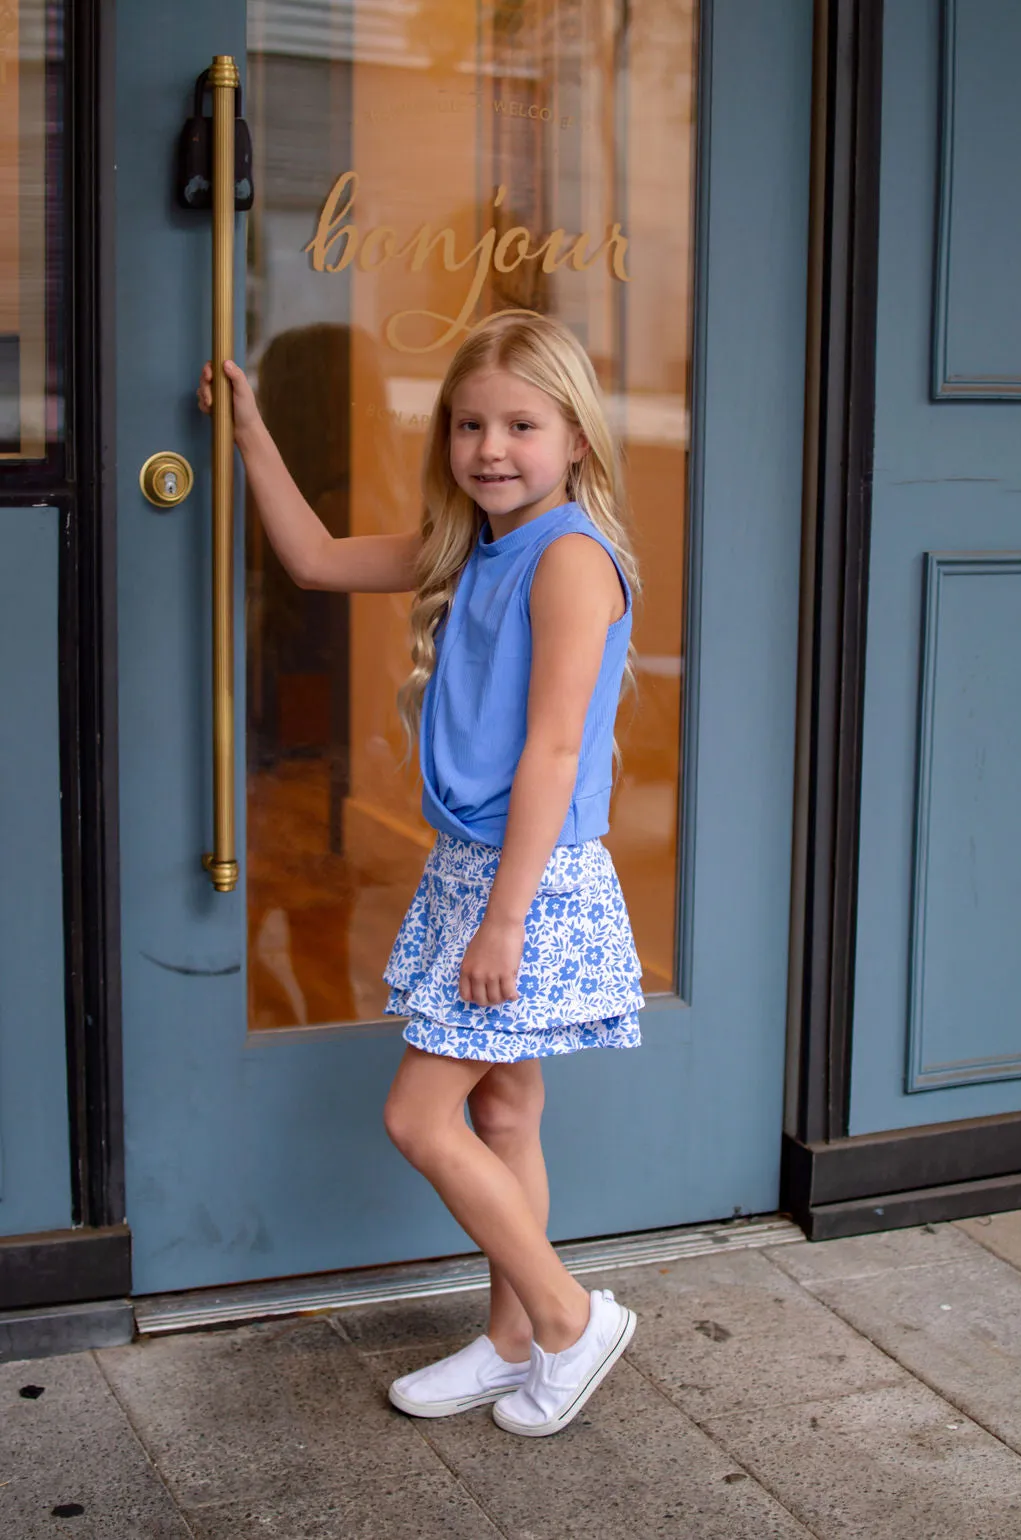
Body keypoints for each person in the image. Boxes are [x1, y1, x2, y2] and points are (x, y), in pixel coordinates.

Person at [197, 310, 644, 1437]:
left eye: (522, 425)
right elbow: (311, 557)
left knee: (418, 1114)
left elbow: (550, 750)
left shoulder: (571, 559)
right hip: (476, 869)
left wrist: (503, 922)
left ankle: (566, 1316)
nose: (492, 448)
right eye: (469, 424)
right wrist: (251, 431)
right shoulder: (473, 548)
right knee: (503, 1109)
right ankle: (510, 1344)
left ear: (576, 438)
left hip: (526, 882)